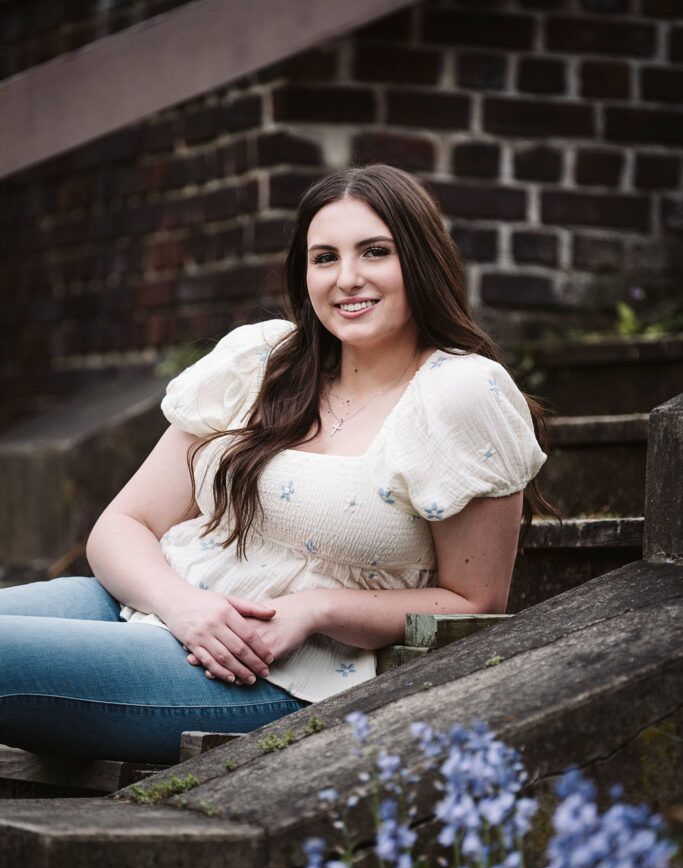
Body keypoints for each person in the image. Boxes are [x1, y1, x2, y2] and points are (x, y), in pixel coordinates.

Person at [0, 164, 547, 765]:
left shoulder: (460, 393)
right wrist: (183, 606)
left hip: (273, 671)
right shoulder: (264, 361)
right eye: (323, 258)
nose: (347, 279)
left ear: (420, 260)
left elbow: (475, 603)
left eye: (374, 252)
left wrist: (318, 608)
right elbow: (123, 525)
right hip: (149, 603)